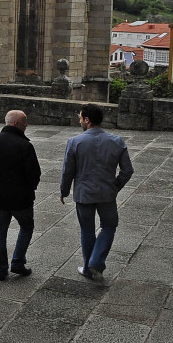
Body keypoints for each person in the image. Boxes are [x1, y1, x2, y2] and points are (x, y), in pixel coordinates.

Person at [60, 103, 134, 282]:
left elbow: (67, 171)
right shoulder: (117, 141)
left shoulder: (75, 142)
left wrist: (64, 191)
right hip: (107, 193)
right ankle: (97, 262)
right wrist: (115, 186)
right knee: (109, 226)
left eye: (80, 118)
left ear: (87, 120)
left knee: (87, 231)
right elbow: (127, 170)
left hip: (84, 194)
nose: (79, 121)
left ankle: (89, 267)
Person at [0, 110, 41, 281]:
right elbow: (34, 174)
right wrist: (29, 188)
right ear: (15, 123)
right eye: (25, 121)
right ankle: (17, 262)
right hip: (21, 198)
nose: (27, 124)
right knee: (27, 227)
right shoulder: (25, 145)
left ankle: (0, 269)